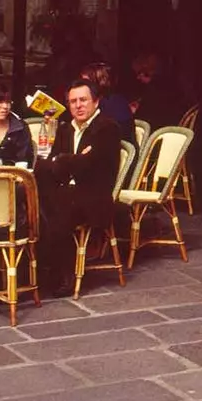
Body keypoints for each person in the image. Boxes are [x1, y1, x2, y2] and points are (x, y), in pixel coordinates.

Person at [35, 78, 126, 295]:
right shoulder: (66, 128)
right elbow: (50, 165)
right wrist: (71, 160)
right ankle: (38, 270)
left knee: (58, 205)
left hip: (94, 196)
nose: (78, 105)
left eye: (83, 100)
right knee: (33, 201)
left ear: (96, 101)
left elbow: (91, 166)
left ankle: (63, 273)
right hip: (67, 190)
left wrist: (65, 161)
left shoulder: (107, 128)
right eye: (73, 101)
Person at [127, 50, 184, 129]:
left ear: (148, 72)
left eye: (139, 73)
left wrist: (133, 111)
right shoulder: (173, 85)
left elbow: (143, 120)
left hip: (157, 132)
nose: (138, 78)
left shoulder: (154, 90)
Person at [81, 62, 135, 143]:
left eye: (85, 83)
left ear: (99, 83)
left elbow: (112, 137)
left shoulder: (114, 104)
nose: (81, 87)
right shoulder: (98, 102)